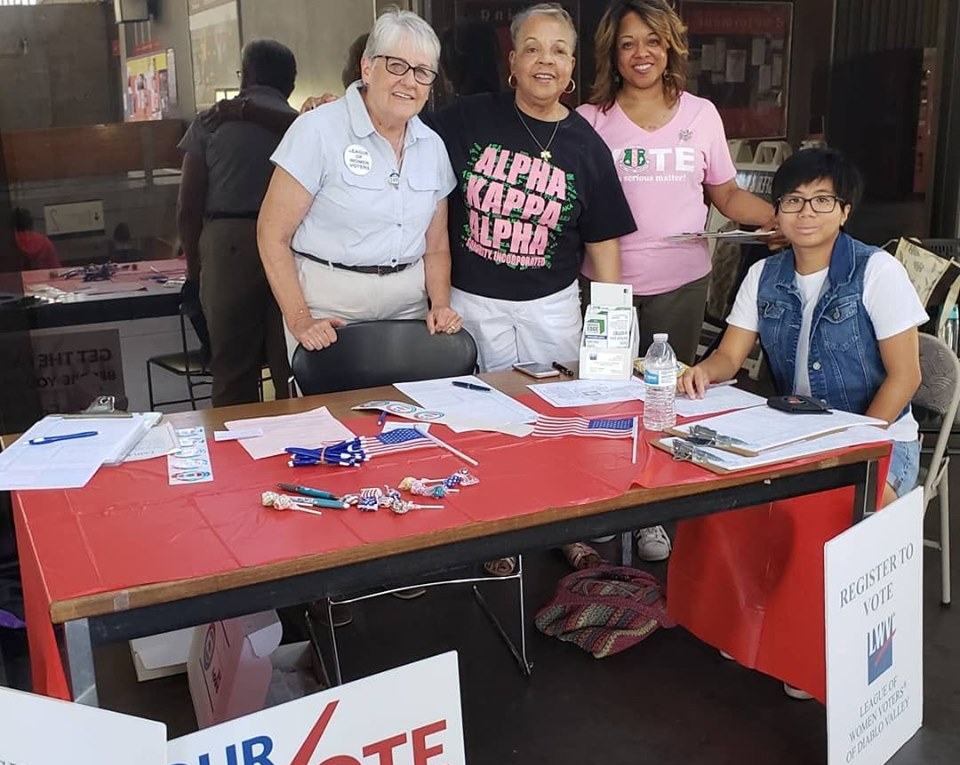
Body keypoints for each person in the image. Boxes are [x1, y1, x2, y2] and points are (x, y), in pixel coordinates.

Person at [427, 2, 637, 574]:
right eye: (534, 49)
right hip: (474, 305)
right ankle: (496, 534)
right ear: (513, 61)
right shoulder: (465, 119)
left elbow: (604, 243)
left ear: (573, 68)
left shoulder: (586, 145)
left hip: (552, 308)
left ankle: (562, 527)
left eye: (560, 51)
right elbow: (398, 134)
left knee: (559, 425)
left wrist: (610, 328)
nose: (547, 61)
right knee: (484, 423)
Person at [577, 0, 776, 563]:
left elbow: (727, 197)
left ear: (670, 48)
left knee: (669, 401)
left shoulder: (701, 115)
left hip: (681, 285)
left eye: (652, 42)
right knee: (608, 400)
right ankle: (607, 503)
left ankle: (655, 514)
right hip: (604, 286)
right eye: (628, 44)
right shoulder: (590, 120)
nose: (641, 54)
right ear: (612, 55)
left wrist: (780, 217)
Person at [679, 147, 923, 510]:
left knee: (841, 514)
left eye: (822, 200)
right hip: (797, 432)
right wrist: (702, 371)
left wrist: (854, 442)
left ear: (845, 212)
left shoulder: (877, 271)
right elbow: (730, 356)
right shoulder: (763, 275)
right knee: (726, 499)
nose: (806, 211)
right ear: (777, 212)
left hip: (880, 437)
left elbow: (906, 377)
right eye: (793, 200)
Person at [257, 9, 462, 369]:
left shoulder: (432, 146)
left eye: (422, 72)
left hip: (408, 311)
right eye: (397, 65)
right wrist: (300, 318)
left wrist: (441, 304)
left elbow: (437, 246)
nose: (409, 82)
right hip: (330, 311)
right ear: (367, 68)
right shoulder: (317, 131)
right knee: (336, 420)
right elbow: (271, 233)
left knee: (410, 415)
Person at [176, 38, 297, 407]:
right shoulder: (305, 126)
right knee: (291, 363)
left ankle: (235, 453)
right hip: (294, 243)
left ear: (246, 75)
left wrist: (195, 271)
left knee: (232, 368)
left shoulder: (211, 122)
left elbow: (187, 204)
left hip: (229, 242)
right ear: (290, 82)